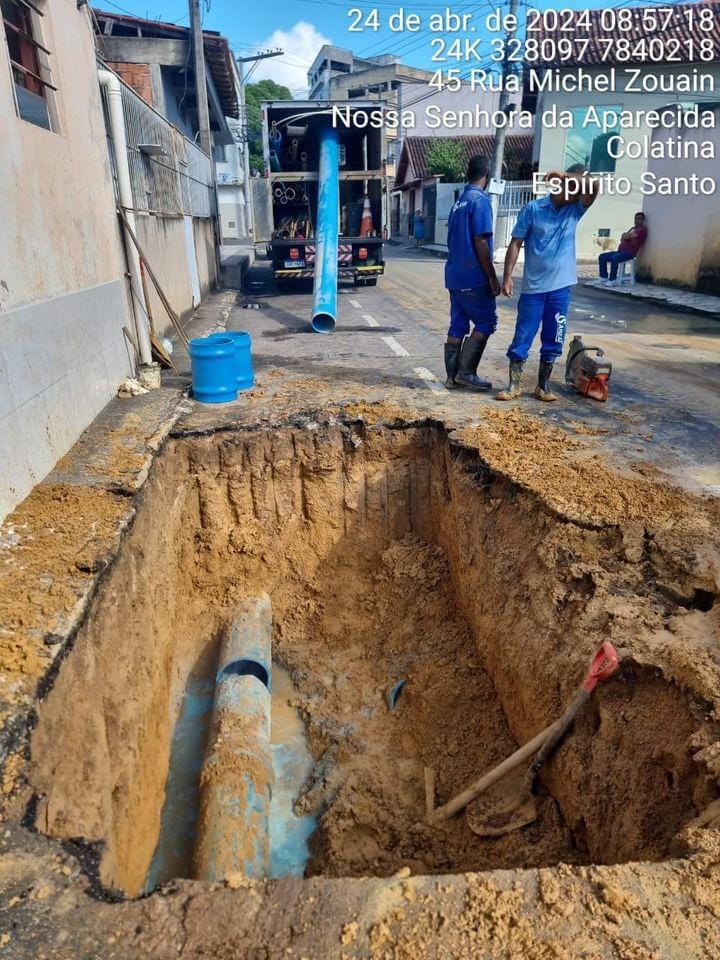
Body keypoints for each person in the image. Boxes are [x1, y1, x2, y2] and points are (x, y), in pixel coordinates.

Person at [497, 164, 598, 402]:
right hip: (533, 289)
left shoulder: (575, 210)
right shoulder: (533, 209)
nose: (577, 195)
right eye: (572, 189)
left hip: (560, 289)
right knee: (523, 335)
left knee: (554, 337)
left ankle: (542, 386)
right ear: (561, 186)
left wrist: (566, 176)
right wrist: (507, 277)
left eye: (578, 189)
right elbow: (515, 243)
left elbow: (593, 187)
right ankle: (514, 385)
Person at [443, 155, 501, 392]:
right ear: (487, 175)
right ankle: (466, 373)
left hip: (454, 275)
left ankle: (452, 378)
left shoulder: (459, 202)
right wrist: (492, 276)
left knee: (458, 325)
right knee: (486, 321)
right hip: (473, 276)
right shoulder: (480, 201)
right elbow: (480, 240)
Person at [598, 212, 648, 283]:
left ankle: (612, 280)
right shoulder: (633, 228)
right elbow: (624, 236)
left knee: (614, 258)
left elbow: (628, 236)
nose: (637, 220)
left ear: (643, 220)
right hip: (620, 252)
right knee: (602, 256)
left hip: (630, 253)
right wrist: (627, 236)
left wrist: (627, 236)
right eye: (636, 219)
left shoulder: (642, 229)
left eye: (639, 219)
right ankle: (603, 277)